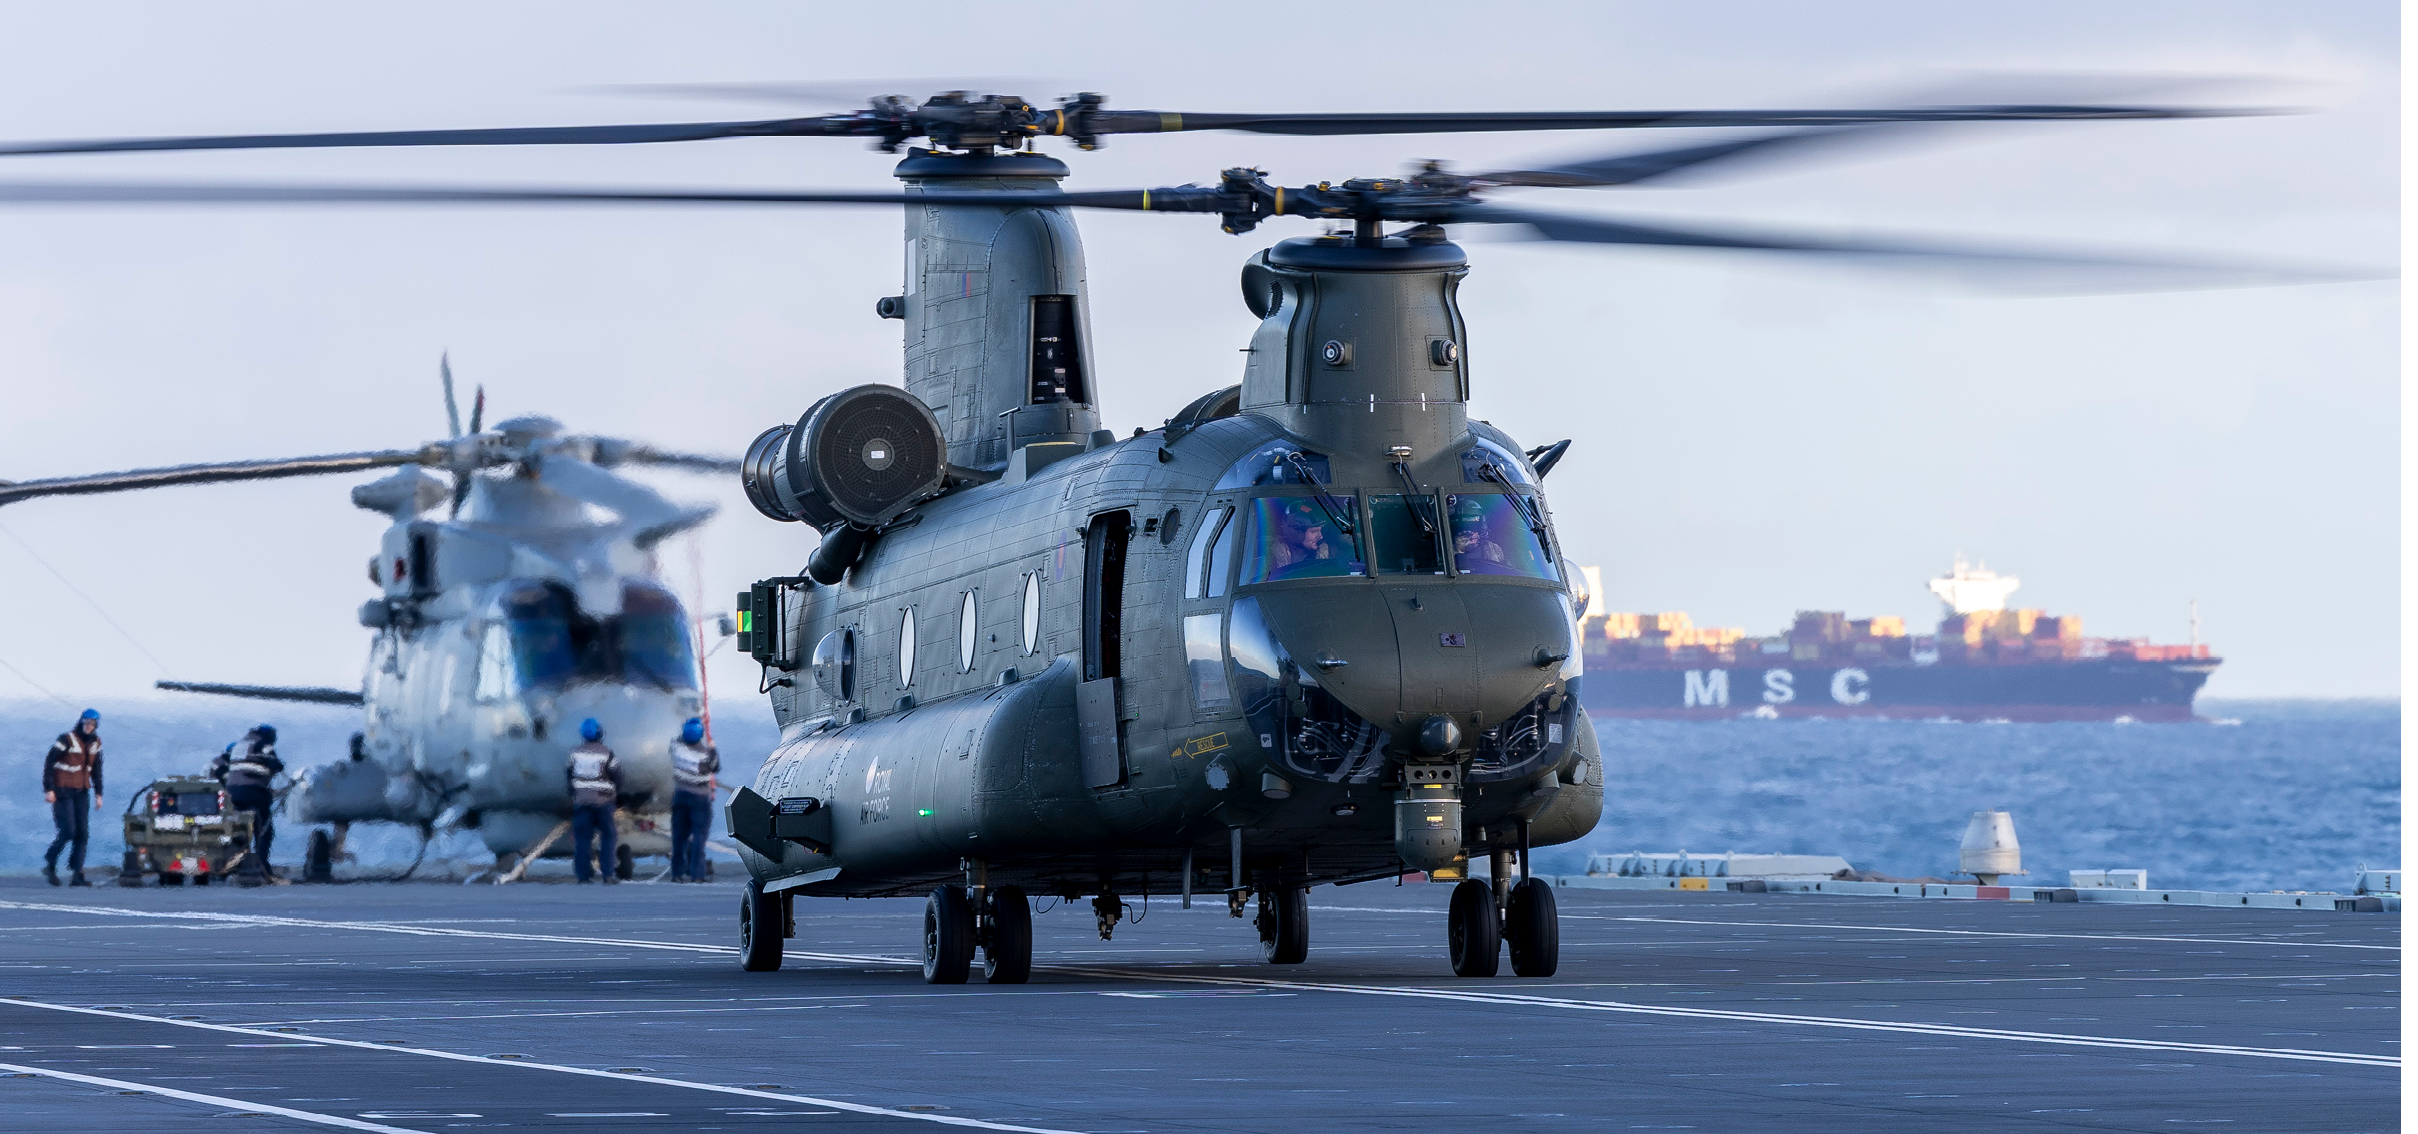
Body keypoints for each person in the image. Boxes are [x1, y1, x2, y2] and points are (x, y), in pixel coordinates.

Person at [210, 725, 285, 874]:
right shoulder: (262, 744)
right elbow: (276, 764)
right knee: (264, 828)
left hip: (232, 792)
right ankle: (261, 864)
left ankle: (231, 863)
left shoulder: (239, 745)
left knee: (238, 827)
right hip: (254, 791)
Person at [42, 709, 103, 887]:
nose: (89, 726)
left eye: (92, 724)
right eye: (86, 722)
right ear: (81, 722)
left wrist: (99, 794)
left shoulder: (96, 743)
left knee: (82, 833)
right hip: (62, 791)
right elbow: (49, 762)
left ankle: (77, 873)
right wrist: (49, 789)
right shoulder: (66, 739)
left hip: (81, 791)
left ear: (96, 725)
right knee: (68, 831)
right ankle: (50, 862)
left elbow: (97, 770)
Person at [567, 718, 624, 884]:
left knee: (583, 839)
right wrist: (615, 795)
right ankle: (608, 874)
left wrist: (575, 795)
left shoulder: (574, 753)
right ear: (600, 733)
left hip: (582, 801)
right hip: (603, 802)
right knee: (609, 835)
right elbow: (618, 777)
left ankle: (583, 876)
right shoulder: (607, 753)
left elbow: (569, 776)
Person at [668, 717, 719, 883]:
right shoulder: (706, 753)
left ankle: (676, 873)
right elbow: (716, 766)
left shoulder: (676, 747)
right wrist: (712, 747)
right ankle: (697, 874)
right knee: (699, 836)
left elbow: (676, 740)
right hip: (700, 798)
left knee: (679, 836)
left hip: (680, 795)